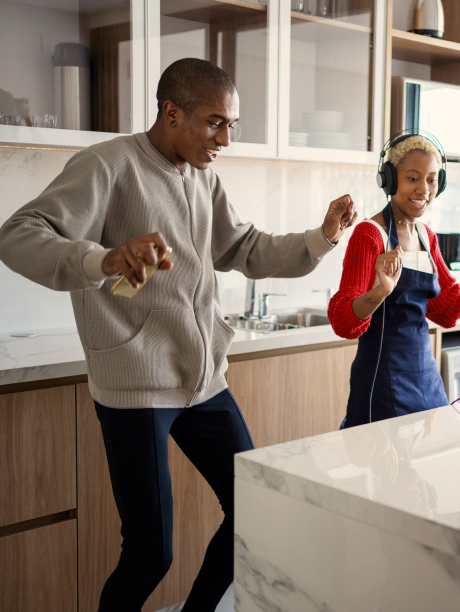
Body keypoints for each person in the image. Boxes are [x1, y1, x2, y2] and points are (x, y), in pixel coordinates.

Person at [0, 58, 357, 611]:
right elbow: (18, 235)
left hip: (202, 380)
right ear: (171, 112)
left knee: (254, 512)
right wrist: (103, 259)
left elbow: (243, 247)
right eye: (216, 122)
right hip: (136, 384)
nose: (226, 138)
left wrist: (321, 236)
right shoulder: (108, 165)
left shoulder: (202, 176)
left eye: (232, 125)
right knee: (150, 553)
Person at [328, 132, 460, 428]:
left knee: (428, 468)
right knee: (385, 472)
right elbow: (343, 319)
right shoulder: (369, 235)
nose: (423, 189)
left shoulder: (427, 237)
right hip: (382, 381)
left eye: (431, 179)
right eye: (413, 178)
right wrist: (380, 291)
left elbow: (451, 306)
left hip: (426, 379)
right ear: (390, 179)